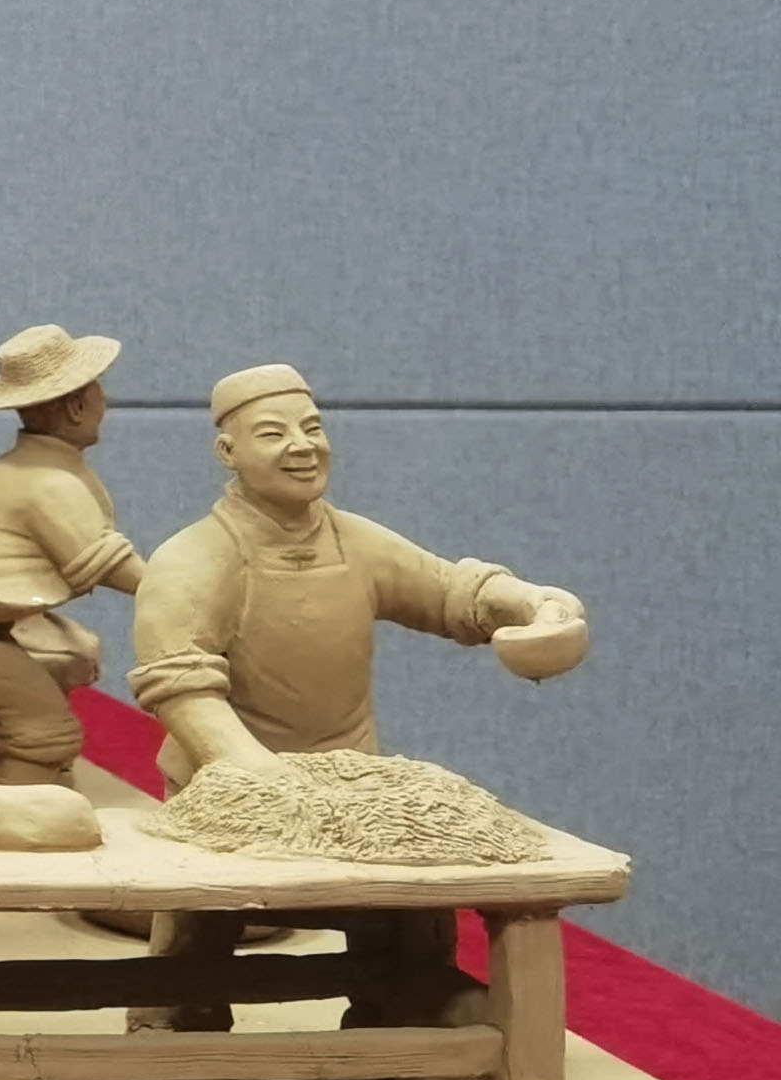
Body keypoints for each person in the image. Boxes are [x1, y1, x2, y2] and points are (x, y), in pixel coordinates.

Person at [126, 363, 590, 1032]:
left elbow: (446, 589)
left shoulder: (356, 542)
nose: (302, 446)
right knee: (196, 947)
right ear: (228, 452)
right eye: (273, 433)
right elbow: (182, 685)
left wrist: (528, 604)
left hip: (351, 793)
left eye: (312, 428)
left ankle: (402, 1015)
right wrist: (261, 779)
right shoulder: (193, 558)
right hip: (225, 792)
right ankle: (175, 1017)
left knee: (408, 920)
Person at [0, 323, 140, 785]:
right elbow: (120, 570)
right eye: (98, 390)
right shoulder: (47, 484)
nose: (106, 401)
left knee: (76, 651)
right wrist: (188, 595)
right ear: (76, 406)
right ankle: (15, 817)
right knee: (47, 732)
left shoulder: (23, 467)